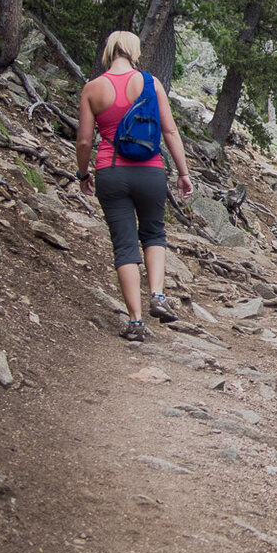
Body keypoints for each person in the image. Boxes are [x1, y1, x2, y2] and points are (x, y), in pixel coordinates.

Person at [76, 30, 194, 341]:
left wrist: (83, 174)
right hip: (150, 170)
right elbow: (170, 132)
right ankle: (157, 295)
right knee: (154, 233)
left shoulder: (93, 88)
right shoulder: (151, 83)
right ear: (134, 51)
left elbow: (85, 140)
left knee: (124, 244)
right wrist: (183, 173)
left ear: (109, 50)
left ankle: (136, 321)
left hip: (111, 170)